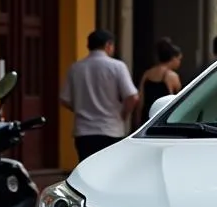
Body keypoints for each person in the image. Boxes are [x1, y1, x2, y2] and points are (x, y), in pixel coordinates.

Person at [60, 29, 138, 162]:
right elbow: (132, 96)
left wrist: (79, 108)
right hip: (111, 129)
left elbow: (64, 99)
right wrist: (124, 114)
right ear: (108, 45)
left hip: (84, 132)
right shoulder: (117, 66)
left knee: (86, 170)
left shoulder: (76, 68)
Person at [137, 37, 183, 123]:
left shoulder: (147, 74)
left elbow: (141, 102)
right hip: (163, 119)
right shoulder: (172, 76)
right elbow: (179, 101)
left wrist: (137, 122)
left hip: (147, 119)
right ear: (172, 57)